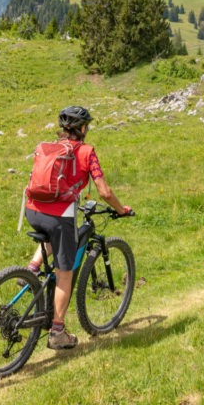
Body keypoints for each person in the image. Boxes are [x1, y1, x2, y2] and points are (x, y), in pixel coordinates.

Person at [24, 105, 131, 350]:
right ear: (83, 129)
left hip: (32, 210)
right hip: (59, 215)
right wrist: (120, 209)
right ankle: (58, 332)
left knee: (55, 237)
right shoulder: (87, 151)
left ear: (64, 128)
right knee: (65, 272)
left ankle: (31, 270)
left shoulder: (47, 147)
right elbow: (104, 191)